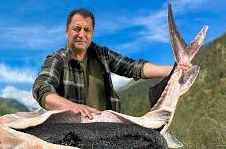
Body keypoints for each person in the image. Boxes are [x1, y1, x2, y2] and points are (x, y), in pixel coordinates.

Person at [32, 8, 192, 119]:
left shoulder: (103, 55)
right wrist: (72, 107)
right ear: (67, 32)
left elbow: (132, 67)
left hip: (108, 128)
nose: (82, 34)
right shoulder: (57, 59)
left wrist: (172, 69)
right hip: (72, 131)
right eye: (77, 29)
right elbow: (42, 89)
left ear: (92, 33)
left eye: (87, 30)